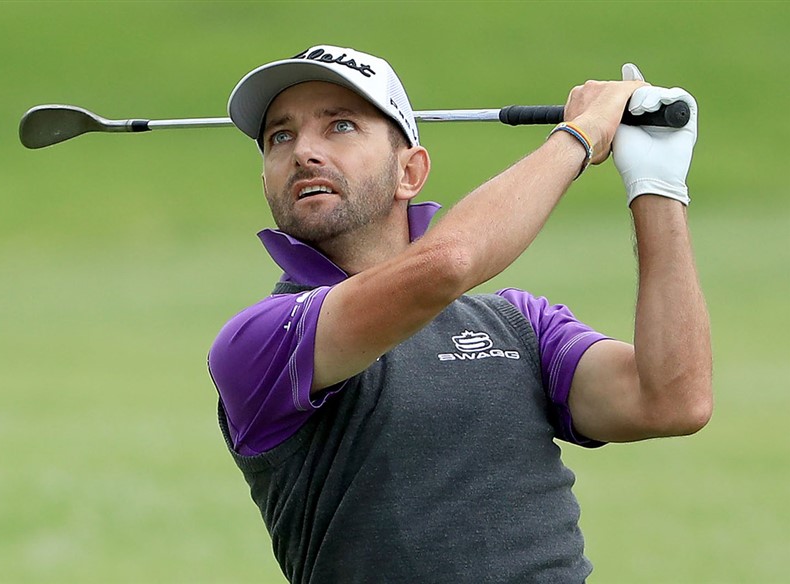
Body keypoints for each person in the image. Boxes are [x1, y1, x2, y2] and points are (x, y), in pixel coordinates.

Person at [207, 45, 712, 583]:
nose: (304, 151)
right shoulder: (260, 342)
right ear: (265, 181)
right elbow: (446, 265)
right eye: (279, 137)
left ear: (410, 172)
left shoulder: (519, 324)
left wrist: (657, 186)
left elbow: (672, 400)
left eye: (341, 127)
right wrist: (581, 136)